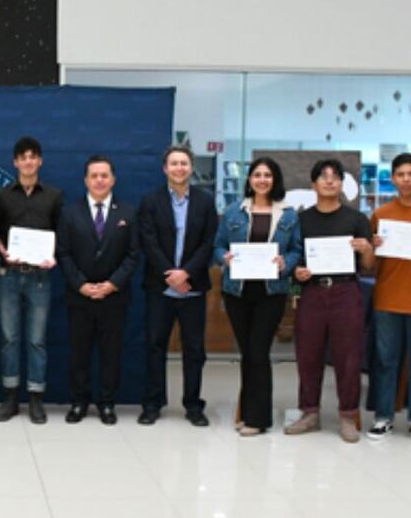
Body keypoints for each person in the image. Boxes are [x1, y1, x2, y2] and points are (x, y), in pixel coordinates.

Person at [286, 159, 374, 443]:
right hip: (312, 291)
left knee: (349, 356)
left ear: (341, 184)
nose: (329, 181)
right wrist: (298, 272)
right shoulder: (301, 219)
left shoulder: (357, 219)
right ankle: (309, 412)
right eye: (323, 177)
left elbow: (369, 265)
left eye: (335, 177)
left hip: (346, 291)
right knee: (308, 355)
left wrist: (366, 249)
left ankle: (348, 416)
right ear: (313, 185)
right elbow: (295, 261)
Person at [213, 156, 301, 436]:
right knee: (246, 353)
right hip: (237, 290)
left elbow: (297, 249)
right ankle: (246, 412)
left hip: (270, 291)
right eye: (257, 175)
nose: (262, 179)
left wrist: (286, 262)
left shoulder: (288, 214)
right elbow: (218, 246)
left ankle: (258, 419)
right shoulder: (233, 212)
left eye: (267, 175)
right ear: (249, 179)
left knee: (259, 352)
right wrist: (223, 258)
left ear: (275, 180)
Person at [137, 145, 218, 427]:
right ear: (165, 169)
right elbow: (148, 242)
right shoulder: (150, 201)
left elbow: (209, 243)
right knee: (155, 346)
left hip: (193, 288)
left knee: (194, 349)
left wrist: (187, 275)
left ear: (191, 167)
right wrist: (170, 276)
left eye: (184, 163)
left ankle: (193, 405)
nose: (179, 168)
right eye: (174, 163)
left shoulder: (206, 202)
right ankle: (153, 403)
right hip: (160, 288)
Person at [56, 155, 140, 425]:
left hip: (114, 297)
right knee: (79, 353)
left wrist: (112, 284)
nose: (100, 180)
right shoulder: (70, 212)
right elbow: (64, 253)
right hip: (79, 296)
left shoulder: (127, 212)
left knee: (111, 353)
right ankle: (79, 402)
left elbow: (133, 255)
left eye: (105, 175)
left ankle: (107, 403)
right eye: (94, 175)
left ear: (113, 179)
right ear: (85, 180)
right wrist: (81, 284)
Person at [366, 152, 411, 445]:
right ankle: (383, 417)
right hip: (387, 297)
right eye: (400, 174)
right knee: (385, 361)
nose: (406, 179)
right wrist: (372, 245)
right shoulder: (381, 214)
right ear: (393, 178)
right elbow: (369, 265)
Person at [0, 136, 63, 424]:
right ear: (15, 162)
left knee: (36, 340)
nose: (28, 161)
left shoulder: (54, 196)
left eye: (33, 156)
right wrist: (2, 251)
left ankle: (35, 398)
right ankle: (10, 398)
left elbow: (60, 233)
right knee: (9, 338)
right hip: (9, 275)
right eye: (23, 157)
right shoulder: (1, 196)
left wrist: (53, 256)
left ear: (40, 161)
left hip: (41, 276)